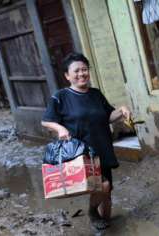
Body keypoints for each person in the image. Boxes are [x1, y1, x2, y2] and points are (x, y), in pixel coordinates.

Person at [41, 52, 131, 230]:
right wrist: (60, 128)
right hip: (82, 154)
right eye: (76, 71)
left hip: (102, 147)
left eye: (84, 69)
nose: (81, 74)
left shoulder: (96, 94)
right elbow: (46, 120)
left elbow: (109, 116)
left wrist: (122, 110)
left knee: (107, 190)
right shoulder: (61, 97)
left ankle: (107, 224)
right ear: (67, 76)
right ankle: (92, 212)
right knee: (102, 186)